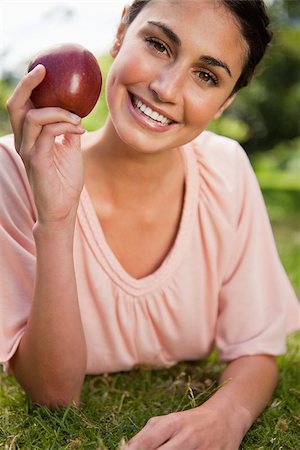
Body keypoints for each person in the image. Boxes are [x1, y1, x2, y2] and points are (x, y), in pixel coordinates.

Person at [0, 0, 299, 448]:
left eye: (206, 76)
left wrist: (227, 413)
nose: (166, 87)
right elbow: (54, 396)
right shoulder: (17, 168)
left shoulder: (226, 172)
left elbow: (256, 349)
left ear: (227, 100)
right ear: (121, 32)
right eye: (159, 45)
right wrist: (57, 218)